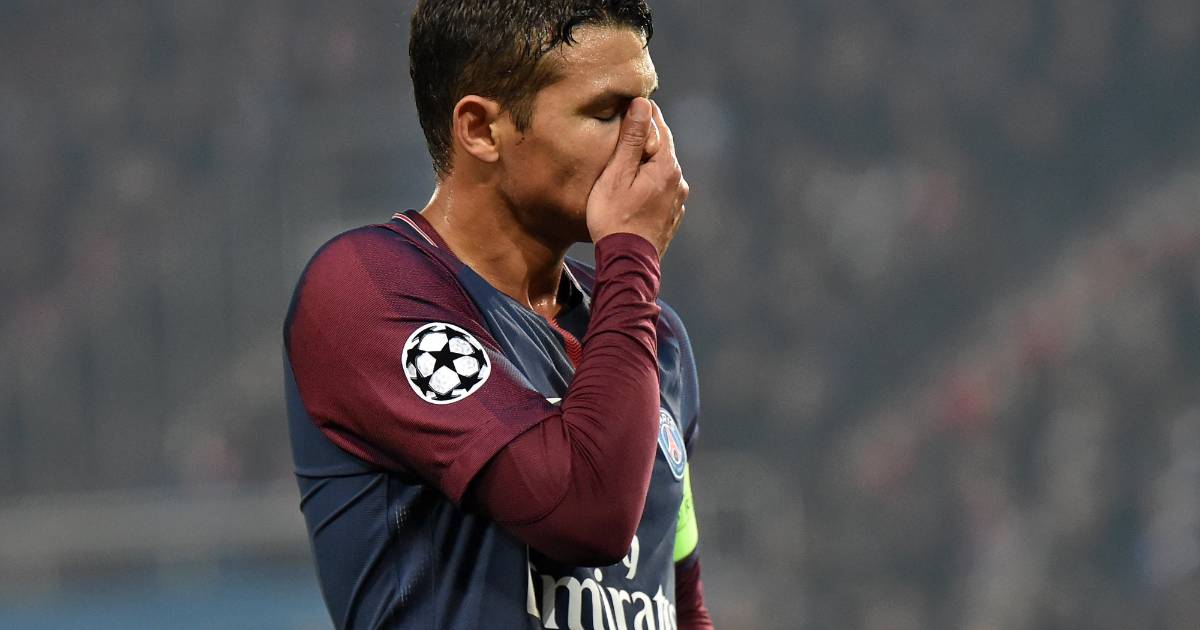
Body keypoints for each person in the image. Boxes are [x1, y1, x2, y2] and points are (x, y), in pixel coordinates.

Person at [283, 1, 712, 627]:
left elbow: (680, 599)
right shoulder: (367, 291)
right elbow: (588, 515)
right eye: (607, 112)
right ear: (481, 129)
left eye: (648, 103)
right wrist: (632, 250)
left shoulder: (655, 333)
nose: (650, 141)